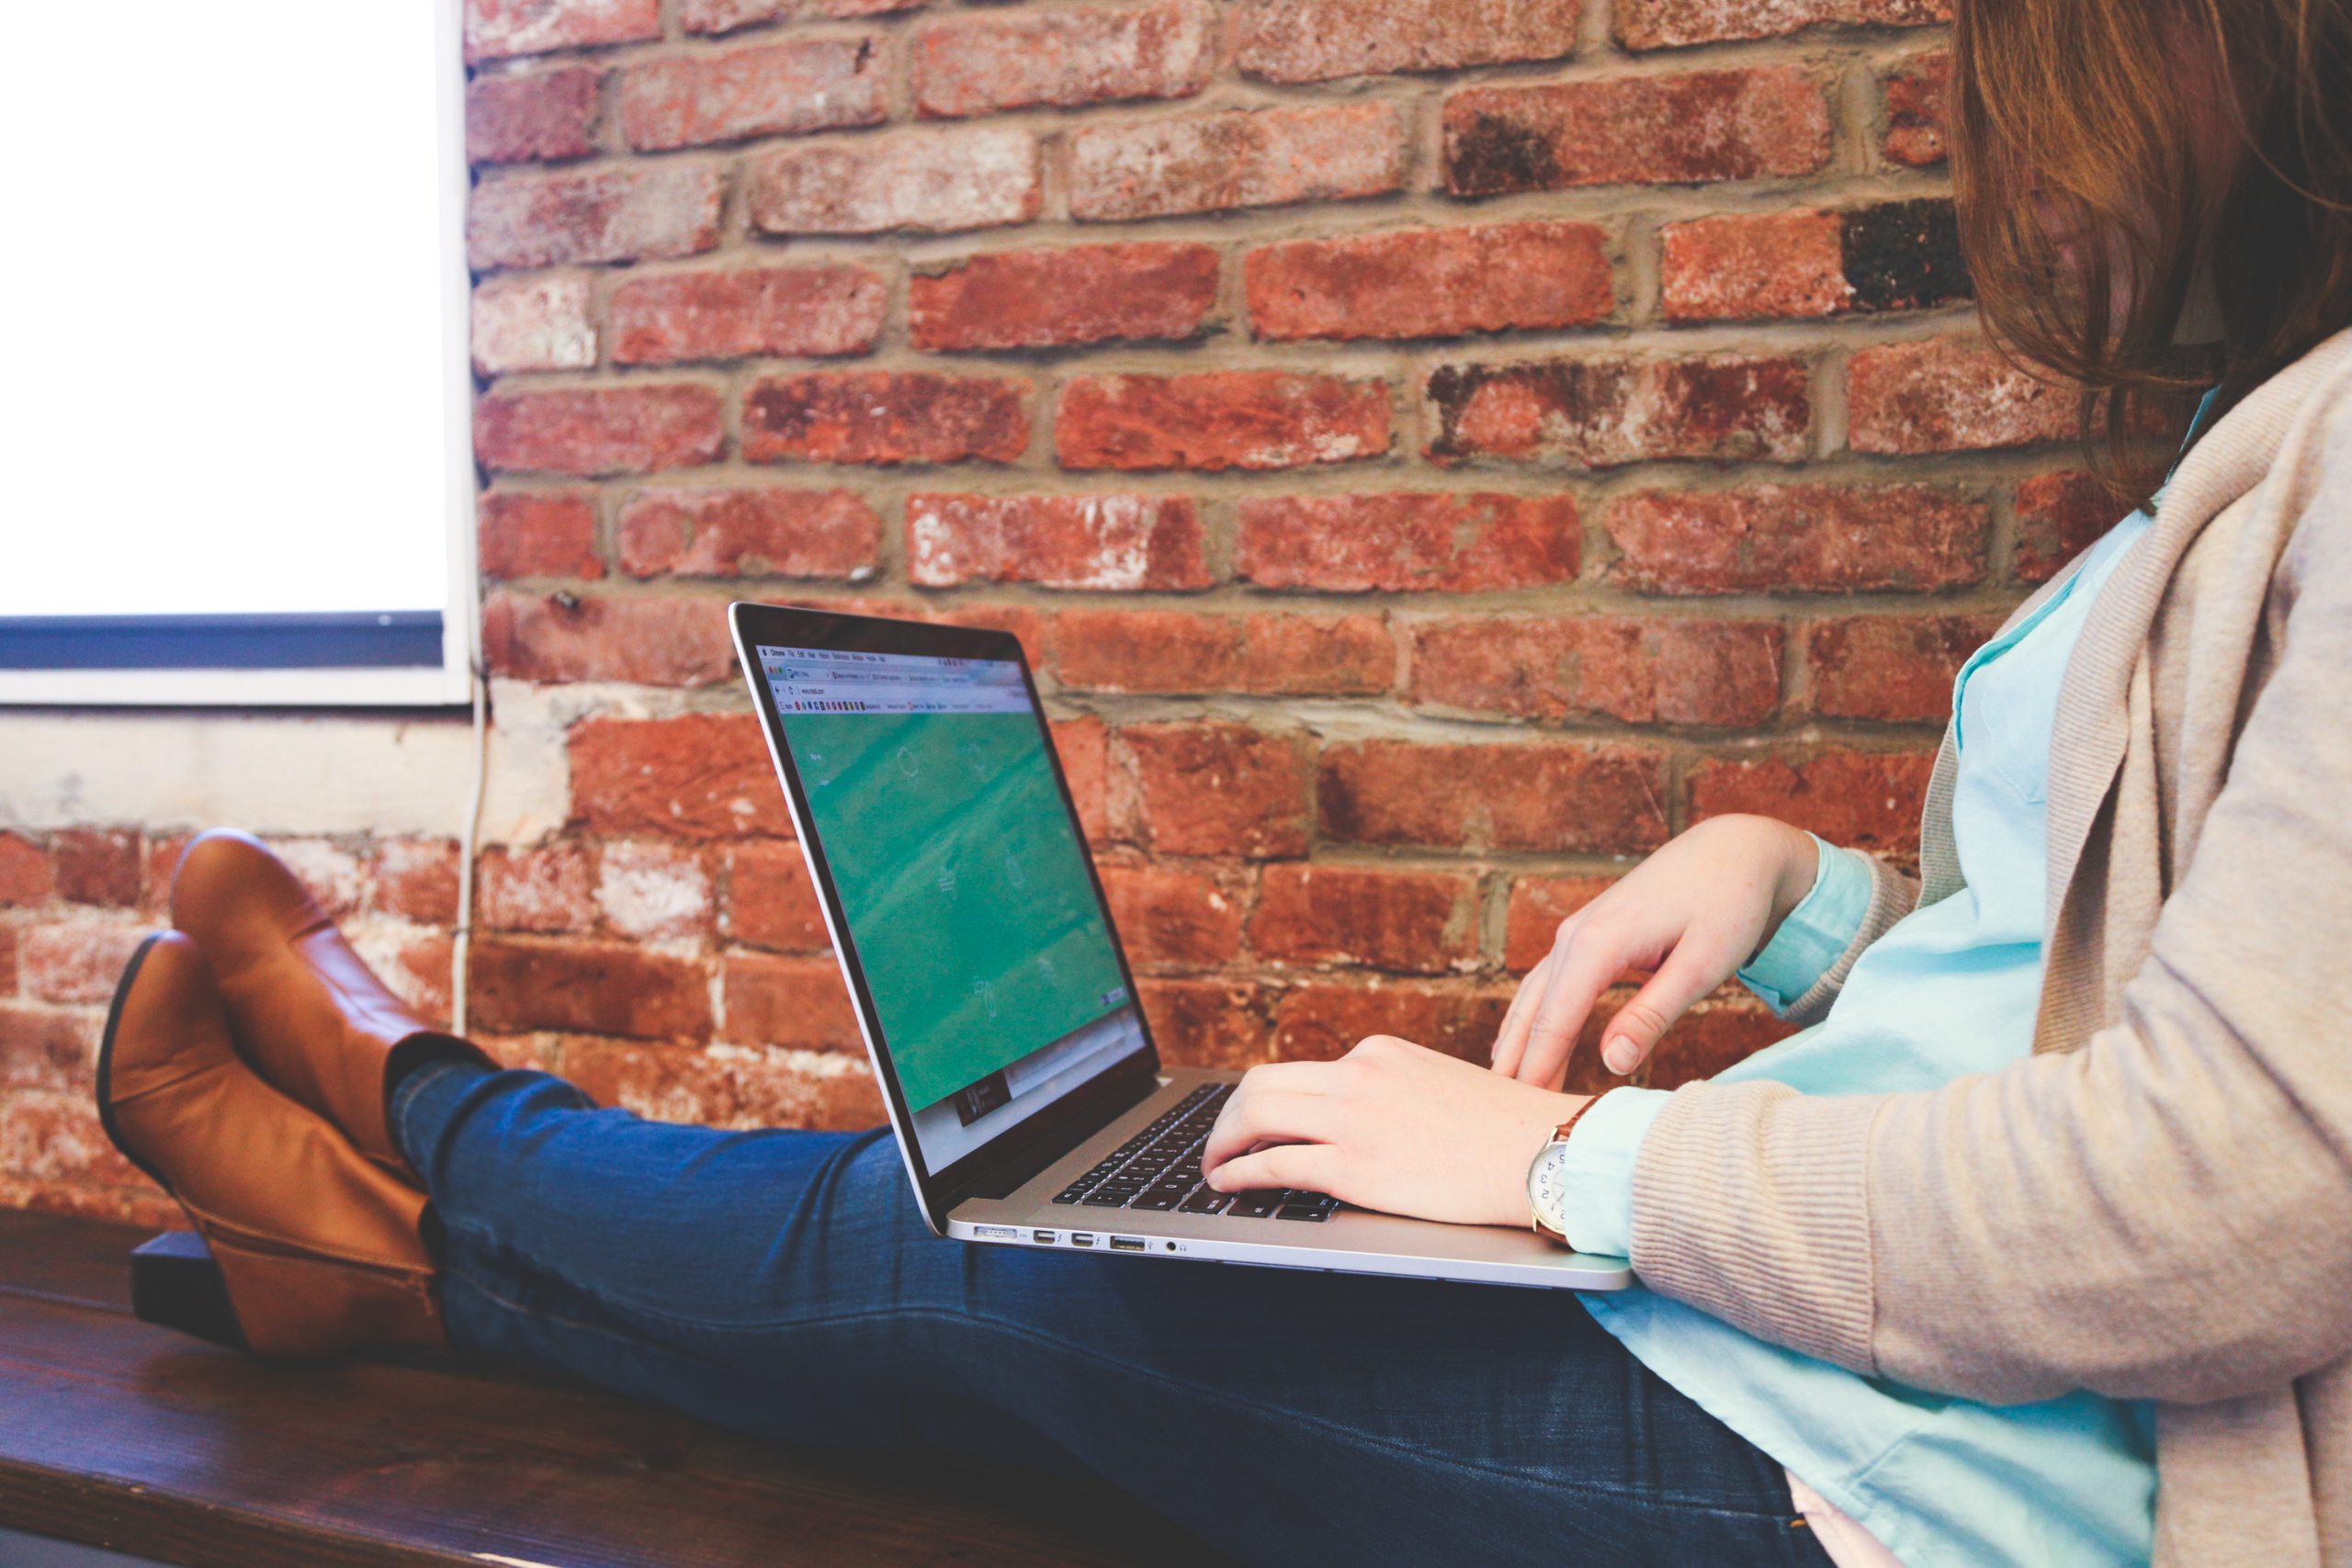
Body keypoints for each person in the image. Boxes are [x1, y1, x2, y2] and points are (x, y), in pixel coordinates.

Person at [88, 0, 2352, 1562]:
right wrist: (1815, 896)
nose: (2015, 145)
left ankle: (412, 1126)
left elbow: (2229, 1200)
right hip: (1835, 1356)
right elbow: (2129, 971)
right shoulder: (2280, 430)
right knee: (1008, 1212)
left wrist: (1576, 1152)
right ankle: (381, 1242)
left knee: (962, 1259)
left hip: (1892, 1489)